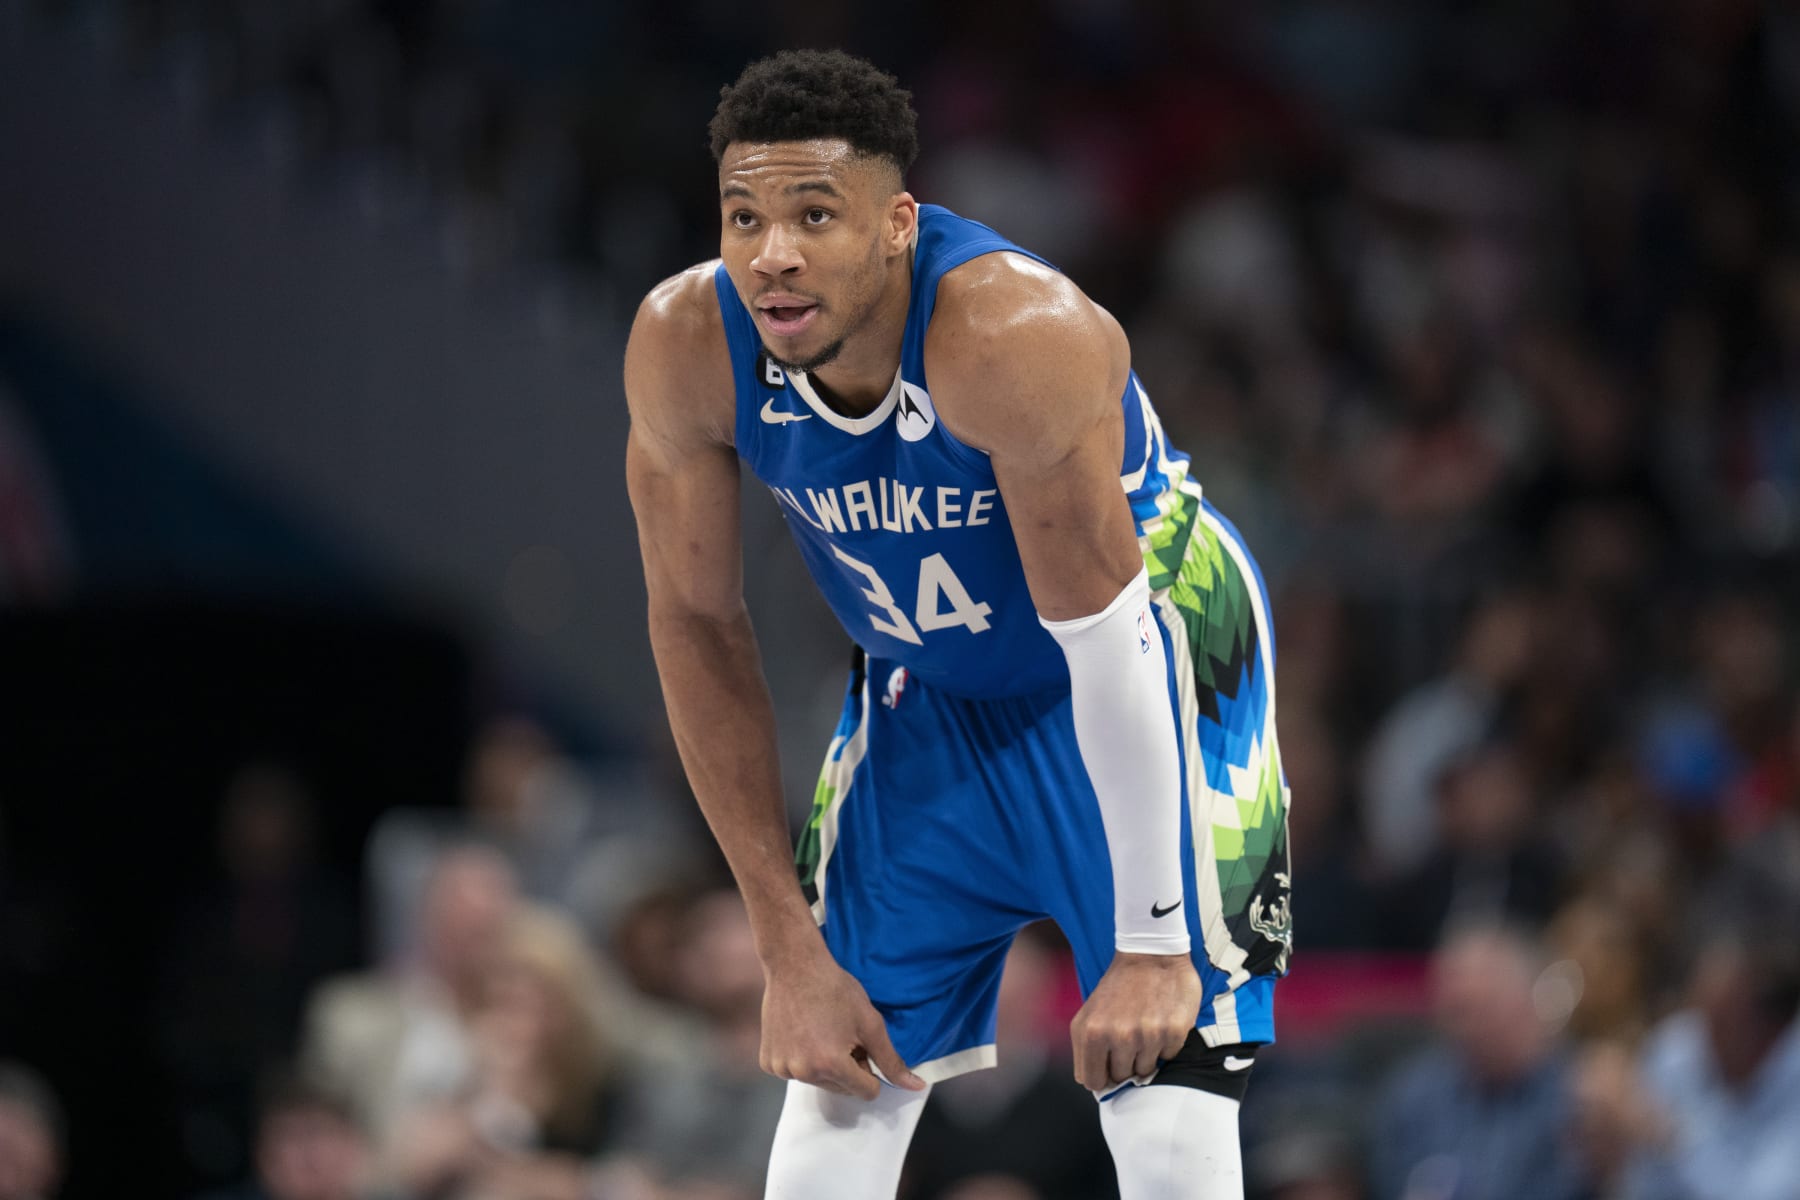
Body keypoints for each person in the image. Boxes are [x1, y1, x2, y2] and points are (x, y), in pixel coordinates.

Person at [624, 49, 1292, 1200]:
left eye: (813, 214)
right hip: (927, 684)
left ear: (897, 225)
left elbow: (1109, 639)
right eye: (743, 215)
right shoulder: (688, 343)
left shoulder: (1008, 333)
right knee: (837, 1084)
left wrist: (1148, 943)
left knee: (1170, 1115)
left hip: (1146, 660)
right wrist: (784, 948)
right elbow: (693, 622)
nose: (770, 253)